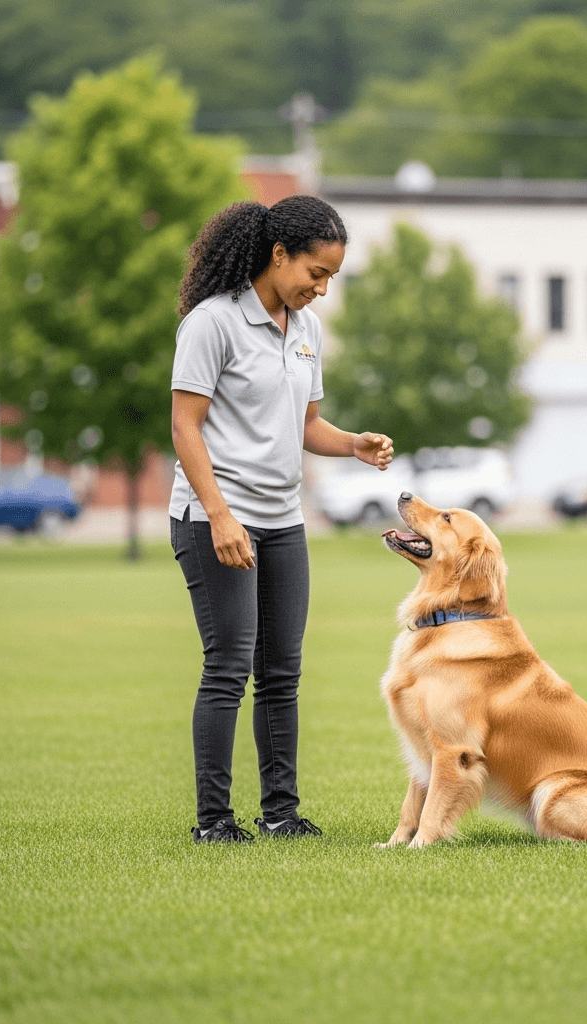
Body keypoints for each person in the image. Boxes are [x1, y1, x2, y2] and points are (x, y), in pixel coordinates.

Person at [170, 195, 394, 843]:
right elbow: (185, 427)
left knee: (281, 673)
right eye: (315, 273)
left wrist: (352, 444)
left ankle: (280, 814)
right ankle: (214, 821)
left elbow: (306, 425)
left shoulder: (306, 331)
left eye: (331, 278)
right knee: (228, 666)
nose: (321, 289)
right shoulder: (212, 323)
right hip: (215, 517)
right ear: (278, 254)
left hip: (282, 520)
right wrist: (220, 517)